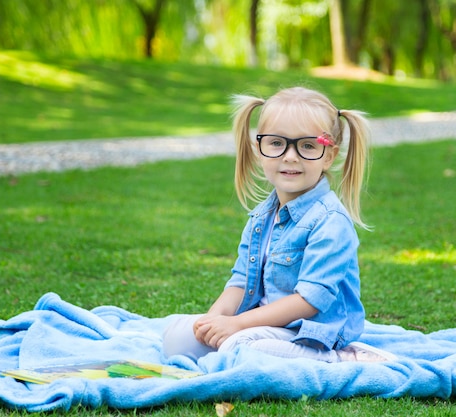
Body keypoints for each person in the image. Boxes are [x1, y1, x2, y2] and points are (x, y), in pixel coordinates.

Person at [163, 86, 396, 363]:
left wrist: (238, 325)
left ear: (328, 156)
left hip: (312, 333)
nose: (290, 156)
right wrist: (214, 319)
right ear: (259, 150)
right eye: (276, 143)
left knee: (240, 348)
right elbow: (240, 281)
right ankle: (237, 345)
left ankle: (341, 359)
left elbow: (310, 300)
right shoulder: (263, 216)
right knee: (176, 337)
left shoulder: (330, 221)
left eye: (308, 145)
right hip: (267, 326)